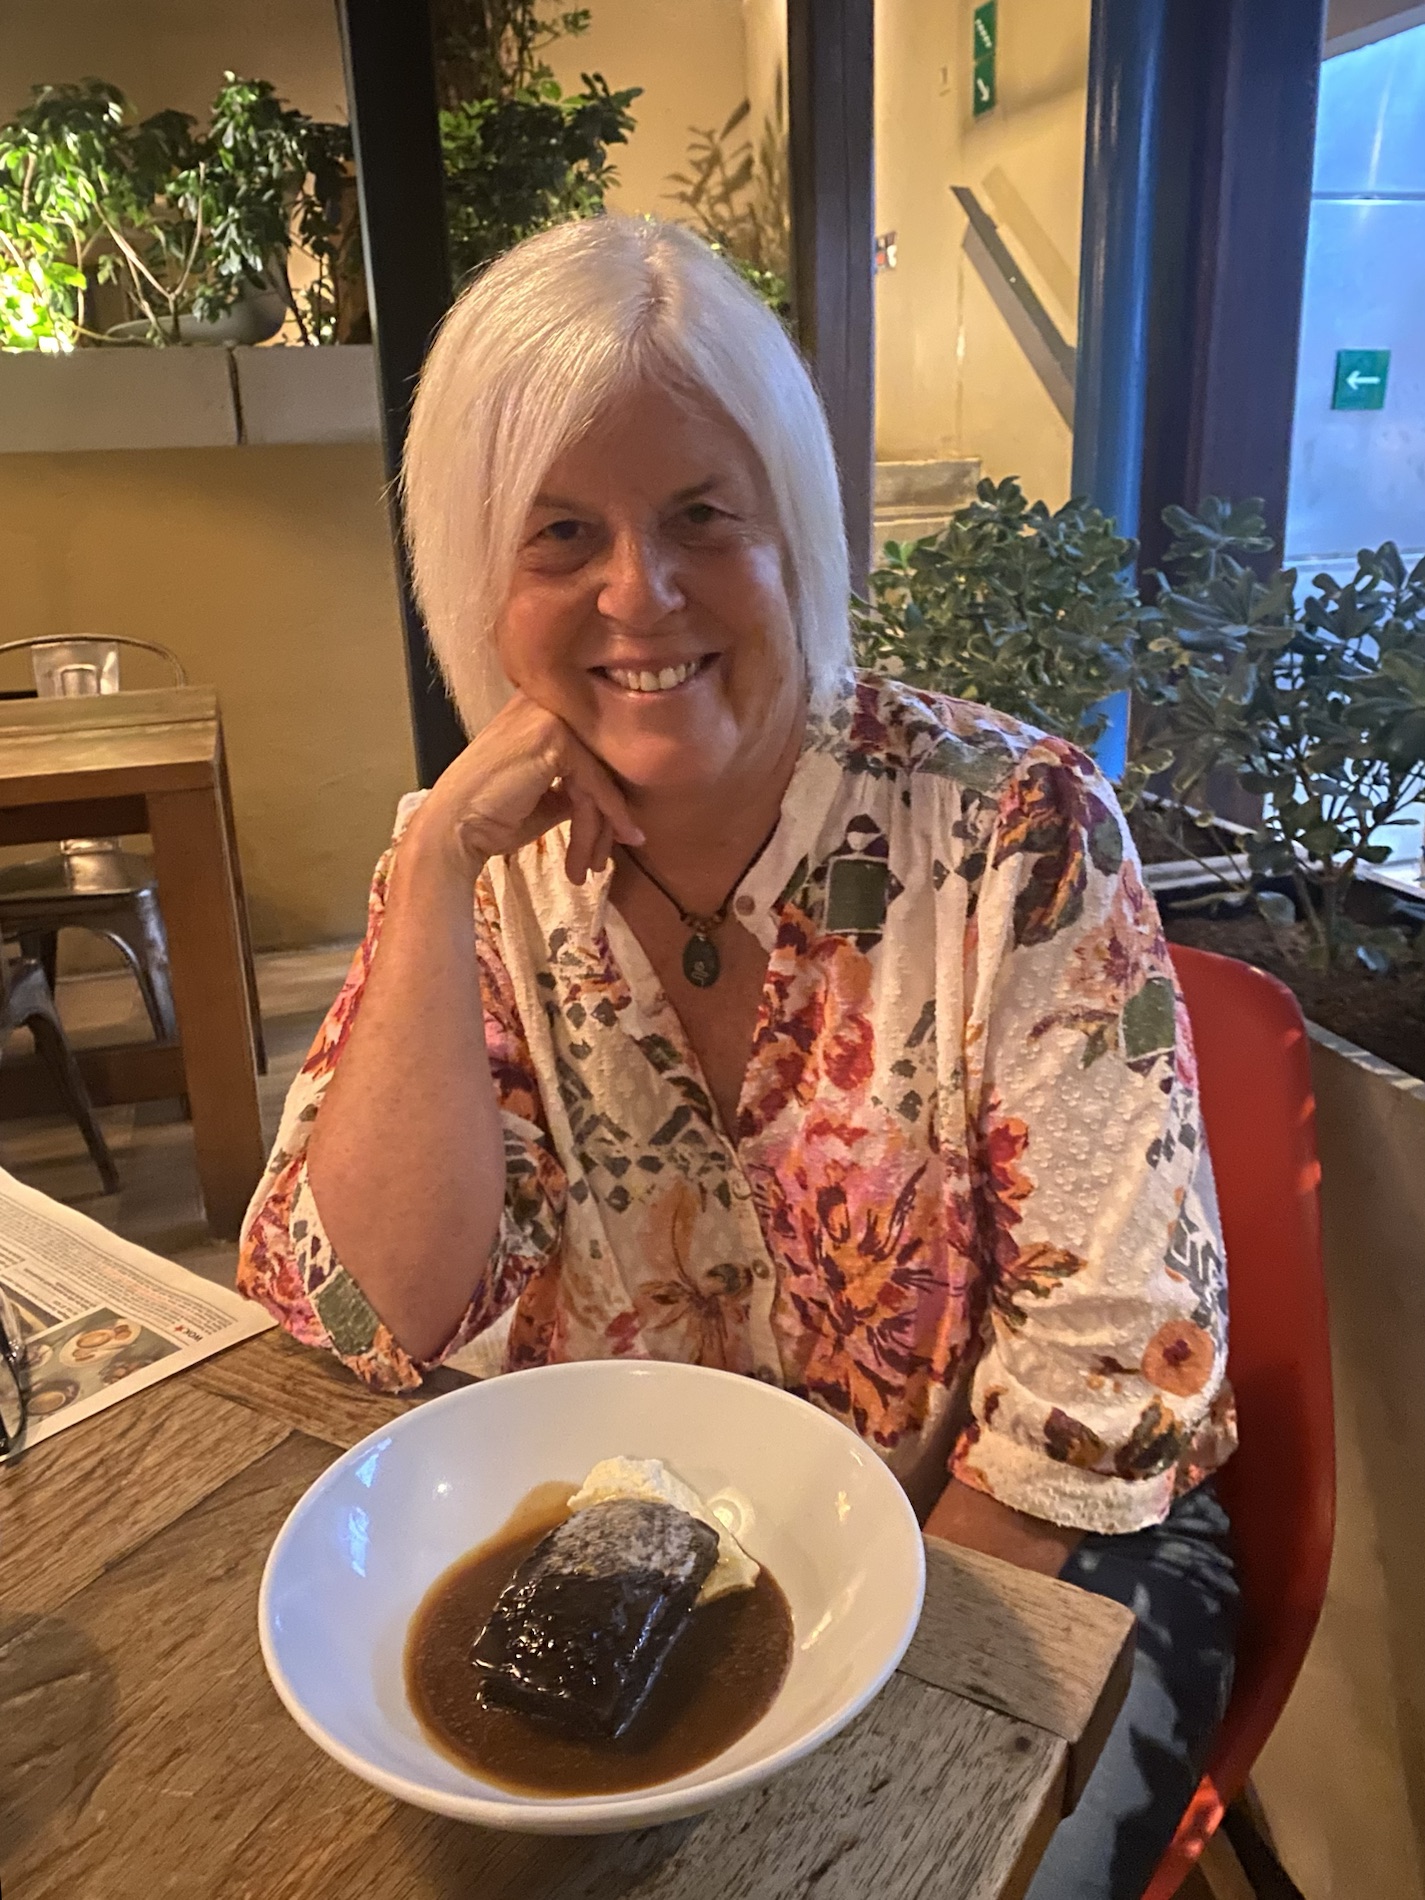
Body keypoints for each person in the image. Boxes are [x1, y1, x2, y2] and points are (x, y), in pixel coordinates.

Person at [238, 215, 1238, 1899]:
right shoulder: (469, 861)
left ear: (797, 535)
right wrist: (433, 871)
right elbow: (368, 1313)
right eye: (563, 531)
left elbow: (1110, 1362)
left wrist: (843, 1712)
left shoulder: (1013, 828)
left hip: (1027, 1549)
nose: (641, 593)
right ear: (475, 576)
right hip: (629, 1584)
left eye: (704, 516)